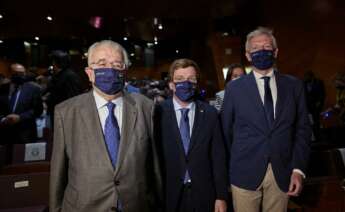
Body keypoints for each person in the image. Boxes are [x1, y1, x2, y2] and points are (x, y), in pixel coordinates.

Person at [50, 40, 162, 212]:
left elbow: (154, 166)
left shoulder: (147, 107)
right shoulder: (65, 112)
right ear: (89, 73)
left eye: (117, 64)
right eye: (102, 64)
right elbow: (58, 171)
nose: (110, 69)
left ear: (124, 71)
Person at [221, 27, 311, 212]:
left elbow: (302, 130)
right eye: (255, 48)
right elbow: (225, 132)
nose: (261, 51)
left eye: (266, 46)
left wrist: (298, 170)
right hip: (244, 171)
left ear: (276, 52)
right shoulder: (234, 89)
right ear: (248, 55)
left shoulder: (294, 86)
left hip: (282, 172)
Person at [155, 59, 228, 212]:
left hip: (205, 194)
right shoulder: (157, 114)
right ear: (171, 84)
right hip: (169, 195)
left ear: (196, 83)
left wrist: (221, 196)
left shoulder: (210, 113)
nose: (186, 83)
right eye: (180, 79)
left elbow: (218, 157)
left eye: (191, 79)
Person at [0, 63, 43, 144]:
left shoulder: (33, 89)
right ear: (9, 74)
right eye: (17, 73)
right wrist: (3, 120)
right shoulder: (2, 88)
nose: (22, 76)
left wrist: (20, 117)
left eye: (23, 73)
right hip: (4, 135)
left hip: (25, 135)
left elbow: (38, 110)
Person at [45, 50, 83, 126]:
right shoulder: (58, 76)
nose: (52, 64)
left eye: (53, 62)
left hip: (65, 118)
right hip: (58, 115)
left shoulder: (70, 76)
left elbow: (73, 99)